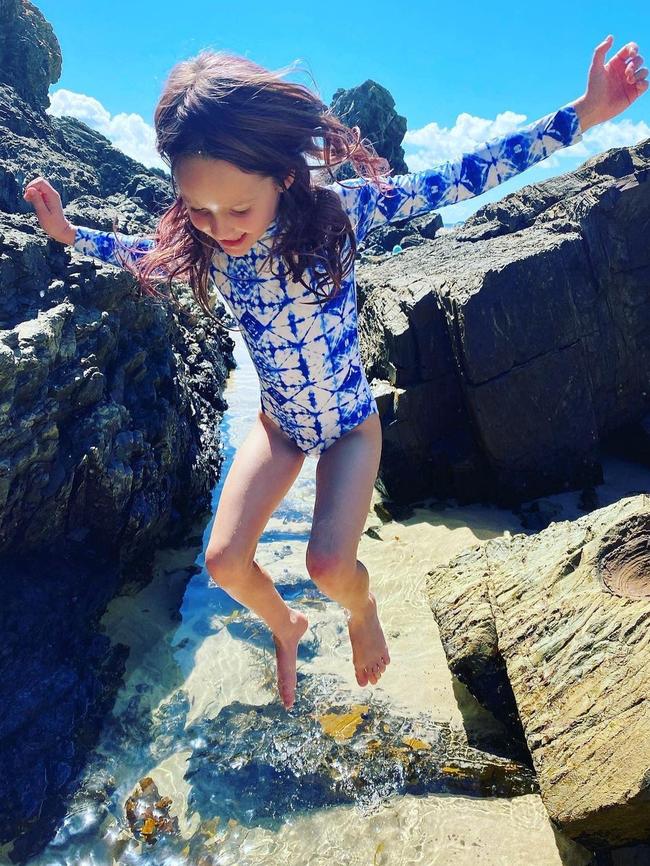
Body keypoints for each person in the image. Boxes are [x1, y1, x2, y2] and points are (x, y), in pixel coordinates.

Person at [24, 36, 647, 710]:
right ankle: (285, 626)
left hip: (351, 426)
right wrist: (70, 235)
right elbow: (144, 251)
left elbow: (472, 171)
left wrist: (583, 112)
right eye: (200, 209)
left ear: (284, 176)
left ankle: (362, 607)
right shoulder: (205, 241)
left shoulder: (341, 213)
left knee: (327, 565)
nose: (220, 227)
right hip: (280, 426)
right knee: (224, 563)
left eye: (238, 208)